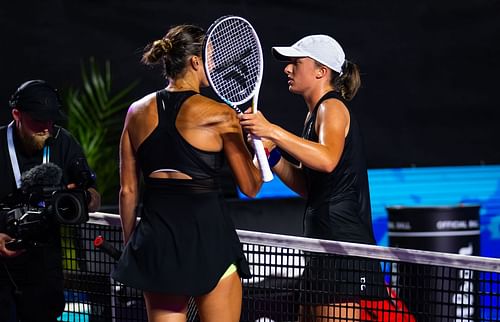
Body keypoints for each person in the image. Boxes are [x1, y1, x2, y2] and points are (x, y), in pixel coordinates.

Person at [111, 24, 263, 322]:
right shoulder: (221, 114)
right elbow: (251, 186)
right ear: (195, 61)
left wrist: (133, 246)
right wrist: (260, 149)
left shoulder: (135, 112)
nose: (215, 65)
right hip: (210, 245)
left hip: (157, 246)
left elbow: (128, 191)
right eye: (212, 58)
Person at [239, 35, 386, 321]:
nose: (287, 69)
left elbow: (328, 159)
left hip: (342, 246)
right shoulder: (312, 115)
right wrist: (273, 155)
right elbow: (309, 187)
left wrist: (273, 131)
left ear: (321, 71)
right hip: (321, 242)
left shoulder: (332, 107)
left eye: (295, 62)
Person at [0, 79, 101, 321]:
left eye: (50, 119)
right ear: (17, 115)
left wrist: (82, 198)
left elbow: (95, 197)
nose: (46, 127)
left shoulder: (63, 141)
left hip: (45, 264)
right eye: (37, 120)